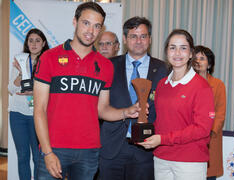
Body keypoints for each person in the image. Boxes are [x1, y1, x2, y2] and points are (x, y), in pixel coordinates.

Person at [33, 2, 140, 180]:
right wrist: (47, 152)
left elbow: (102, 109)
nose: (91, 30)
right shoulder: (49, 57)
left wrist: (126, 112)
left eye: (97, 25)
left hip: (89, 151)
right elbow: (39, 110)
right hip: (54, 148)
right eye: (86, 23)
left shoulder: (105, 66)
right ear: (75, 21)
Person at [138, 29, 215, 180]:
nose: (177, 53)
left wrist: (163, 139)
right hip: (161, 158)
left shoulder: (201, 86)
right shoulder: (161, 84)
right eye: (172, 47)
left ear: (191, 53)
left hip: (190, 161)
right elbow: (160, 120)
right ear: (166, 52)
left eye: (183, 48)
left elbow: (202, 129)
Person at [99, 16, 167, 180]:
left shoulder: (164, 69)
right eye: (133, 36)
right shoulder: (109, 66)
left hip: (147, 150)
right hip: (112, 148)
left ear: (150, 39)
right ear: (124, 39)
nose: (138, 41)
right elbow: (100, 106)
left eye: (143, 36)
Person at [8, 28, 49, 180]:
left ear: (43, 43)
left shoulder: (48, 62)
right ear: (26, 43)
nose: (33, 43)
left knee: (38, 157)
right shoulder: (19, 60)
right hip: (17, 114)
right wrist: (21, 72)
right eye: (30, 40)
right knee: (22, 156)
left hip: (37, 115)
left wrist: (34, 93)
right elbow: (11, 88)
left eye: (37, 40)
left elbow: (52, 91)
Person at [194, 45, 226, 179]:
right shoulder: (186, 82)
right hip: (190, 137)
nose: (198, 61)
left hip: (210, 137)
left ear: (209, 64)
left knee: (209, 174)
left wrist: (211, 131)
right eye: (195, 58)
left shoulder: (218, 84)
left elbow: (220, 112)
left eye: (202, 58)